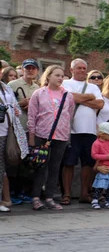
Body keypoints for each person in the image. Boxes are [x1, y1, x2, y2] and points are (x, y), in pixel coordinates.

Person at [27, 65, 75, 211]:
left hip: (60, 136)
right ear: (48, 76)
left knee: (55, 168)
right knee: (41, 167)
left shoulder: (68, 95)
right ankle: (36, 197)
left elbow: (69, 114)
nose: (60, 78)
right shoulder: (39, 93)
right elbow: (32, 115)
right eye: (57, 75)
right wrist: (31, 136)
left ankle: (49, 197)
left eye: (62, 75)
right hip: (42, 134)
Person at [61, 59, 105, 205]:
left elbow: (100, 103)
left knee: (88, 163)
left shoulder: (93, 86)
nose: (82, 70)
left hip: (90, 130)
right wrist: (88, 98)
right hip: (71, 131)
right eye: (79, 68)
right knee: (69, 163)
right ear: (72, 69)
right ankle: (66, 194)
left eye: (84, 68)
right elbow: (67, 97)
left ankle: (84, 193)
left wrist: (78, 99)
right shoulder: (66, 84)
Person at [7, 59, 40, 205]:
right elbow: (7, 105)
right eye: (28, 68)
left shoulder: (37, 88)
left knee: (26, 163)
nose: (30, 70)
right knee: (14, 161)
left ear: (37, 71)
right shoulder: (12, 85)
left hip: (30, 129)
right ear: (23, 69)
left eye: (33, 68)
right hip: (16, 128)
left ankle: (21, 192)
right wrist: (22, 103)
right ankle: (11, 192)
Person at [0, 78, 20, 212]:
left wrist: (16, 111)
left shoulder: (5, 87)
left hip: (7, 132)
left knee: (2, 168)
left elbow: (15, 106)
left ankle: (2, 199)